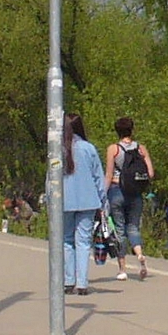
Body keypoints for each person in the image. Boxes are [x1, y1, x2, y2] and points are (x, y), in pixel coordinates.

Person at [106, 117, 156, 283]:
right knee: (133, 227)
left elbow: (109, 174)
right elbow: (150, 173)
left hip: (116, 191)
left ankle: (122, 269)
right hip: (135, 193)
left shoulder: (114, 149)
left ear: (117, 131)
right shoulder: (141, 149)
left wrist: (103, 194)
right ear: (132, 130)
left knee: (119, 230)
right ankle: (140, 254)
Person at [61, 113, 105, 297]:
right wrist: (102, 201)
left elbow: (50, 178)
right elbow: (98, 178)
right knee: (84, 241)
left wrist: (49, 199)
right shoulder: (89, 149)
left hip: (64, 201)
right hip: (88, 200)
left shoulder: (57, 149)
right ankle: (82, 283)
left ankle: (68, 280)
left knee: (66, 240)